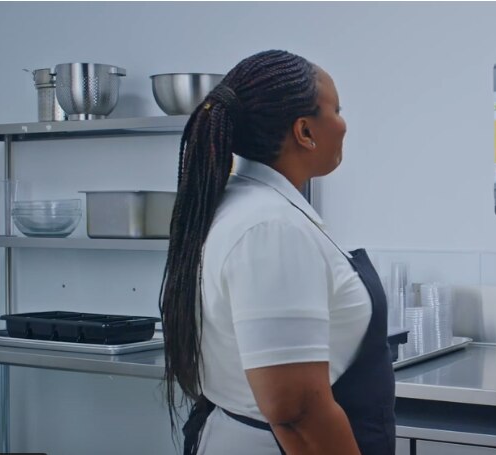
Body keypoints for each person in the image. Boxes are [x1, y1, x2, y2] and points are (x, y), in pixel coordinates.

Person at [159, 50, 395, 455]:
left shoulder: (245, 204)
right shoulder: (271, 227)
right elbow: (296, 411)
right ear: (305, 131)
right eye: (337, 111)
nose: (343, 124)